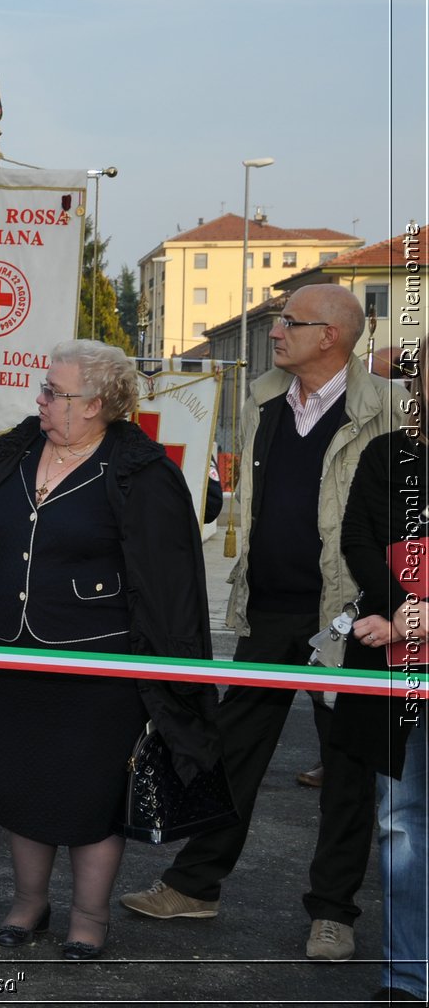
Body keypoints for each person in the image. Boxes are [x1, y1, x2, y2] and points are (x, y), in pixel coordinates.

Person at [122, 283, 409, 963]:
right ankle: (196, 883)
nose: (275, 332)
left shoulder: (388, 408)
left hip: (352, 612)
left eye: (289, 322)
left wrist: (395, 603)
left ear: (329, 336)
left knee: (346, 765)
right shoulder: (262, 401)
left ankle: (333, 913)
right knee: (234, 749)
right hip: (271, 608)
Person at [0, 339, 221, 960]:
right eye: (44, 388)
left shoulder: (139, 472)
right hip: (11, 657)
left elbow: (169, 581)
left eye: (55, 392)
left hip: (98, 667)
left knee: (91, 797)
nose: (40, 400)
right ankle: (28, 903)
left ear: (97, 404)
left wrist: (168, 671)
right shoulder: (15, 451)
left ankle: (89, 916)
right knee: (21, 788)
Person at [331, 345, 427, 1003]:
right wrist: (403, 614)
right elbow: (358, 538)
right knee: (400, 821)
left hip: (400, 636)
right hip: (393, 667)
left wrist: (411, 622)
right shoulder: (388, 453)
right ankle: (407, 973)